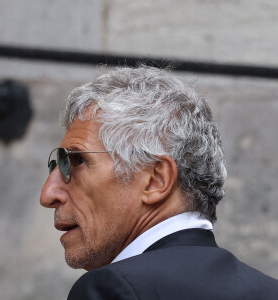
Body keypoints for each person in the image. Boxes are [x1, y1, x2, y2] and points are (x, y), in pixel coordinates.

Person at [40, 66, 278, 299]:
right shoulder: (268, 290)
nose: (48, 195)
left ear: (156, 180)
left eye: (77, 161)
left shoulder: (114, 288)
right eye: (57, 166)